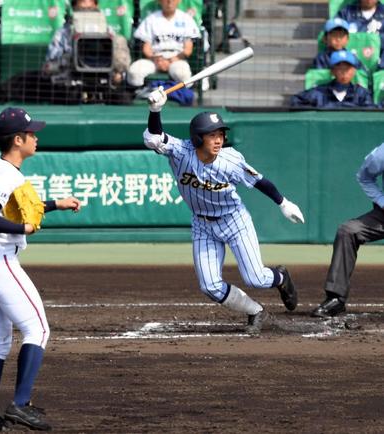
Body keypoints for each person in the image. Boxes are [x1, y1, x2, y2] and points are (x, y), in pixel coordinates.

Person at [144, 87, 305, 333]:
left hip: (234, 220)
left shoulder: (231, 160)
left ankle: (281, 278)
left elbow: (259, 181)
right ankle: (256, 312)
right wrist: (155, 110)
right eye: (212, 135)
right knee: (209, 286)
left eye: (220, 134)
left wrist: (283, 203)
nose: (219, 139)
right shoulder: (181, 152)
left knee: (256, 278)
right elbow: (153, 138)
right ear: (198, 138)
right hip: (202, 225)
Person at [0, 107, 81, 431]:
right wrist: (24, 230)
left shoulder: (5, 171)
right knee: (39, 329)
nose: (36, 137)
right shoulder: (4, 174)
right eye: (31, 133)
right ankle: (20, 404)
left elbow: (19, 212)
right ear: (18, 140)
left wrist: (56, 204)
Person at [312, 143, 384, 318]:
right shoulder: (380, 155)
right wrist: (381, 201)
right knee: (348, 231)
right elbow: (365, 177)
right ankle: (336, 298)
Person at [41, 0, 131, 103]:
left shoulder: (108, 31)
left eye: (90, 9)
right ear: (74, 8)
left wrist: (118, 75)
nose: (86, 12)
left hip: (103, 79)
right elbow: (50, 63)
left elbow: (120, 64)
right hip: (71, 83)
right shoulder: (62, 33)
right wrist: (69, 58)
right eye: (82, 9)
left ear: (96, 6)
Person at [127, 0, 201, 89]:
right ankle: (139, 94)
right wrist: (156, 59)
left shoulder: (186, 19)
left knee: (183, 74)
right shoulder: (151, 19)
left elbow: (188, 50)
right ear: (159, 1)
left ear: (179, 1)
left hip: (177, 58)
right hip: (155, 58)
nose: (169, 2)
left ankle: (178, 97)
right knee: (134, 72)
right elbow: (146, 48)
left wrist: (173, 59)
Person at [291, 49, 375, 108]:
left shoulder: (361, 93)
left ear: (354, 71)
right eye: (339, 68)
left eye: (347, 68)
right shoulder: (319, 92)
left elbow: (369, 113)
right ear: (332, 71)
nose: (344, 72)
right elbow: (296, 101)